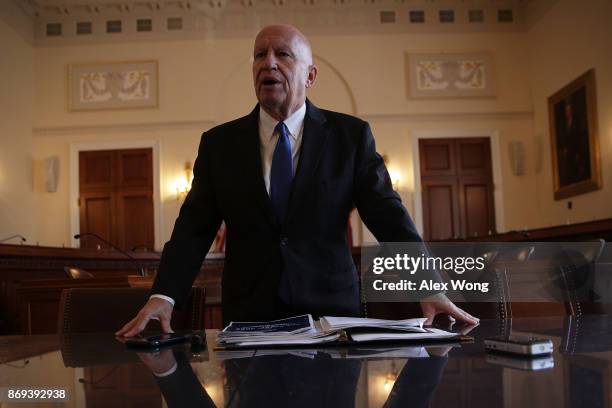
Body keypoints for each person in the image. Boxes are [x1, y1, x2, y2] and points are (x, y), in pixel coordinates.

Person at [117, 24, 478, 337]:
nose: (268, 62)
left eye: (283, 54)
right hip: (250, 321)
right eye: (259, 55)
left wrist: (426, 285)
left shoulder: (349, 137)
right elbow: (193, 229)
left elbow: (389, 217)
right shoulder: (219, 144)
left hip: (333, 318)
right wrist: (163, 296)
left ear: (310, 75)